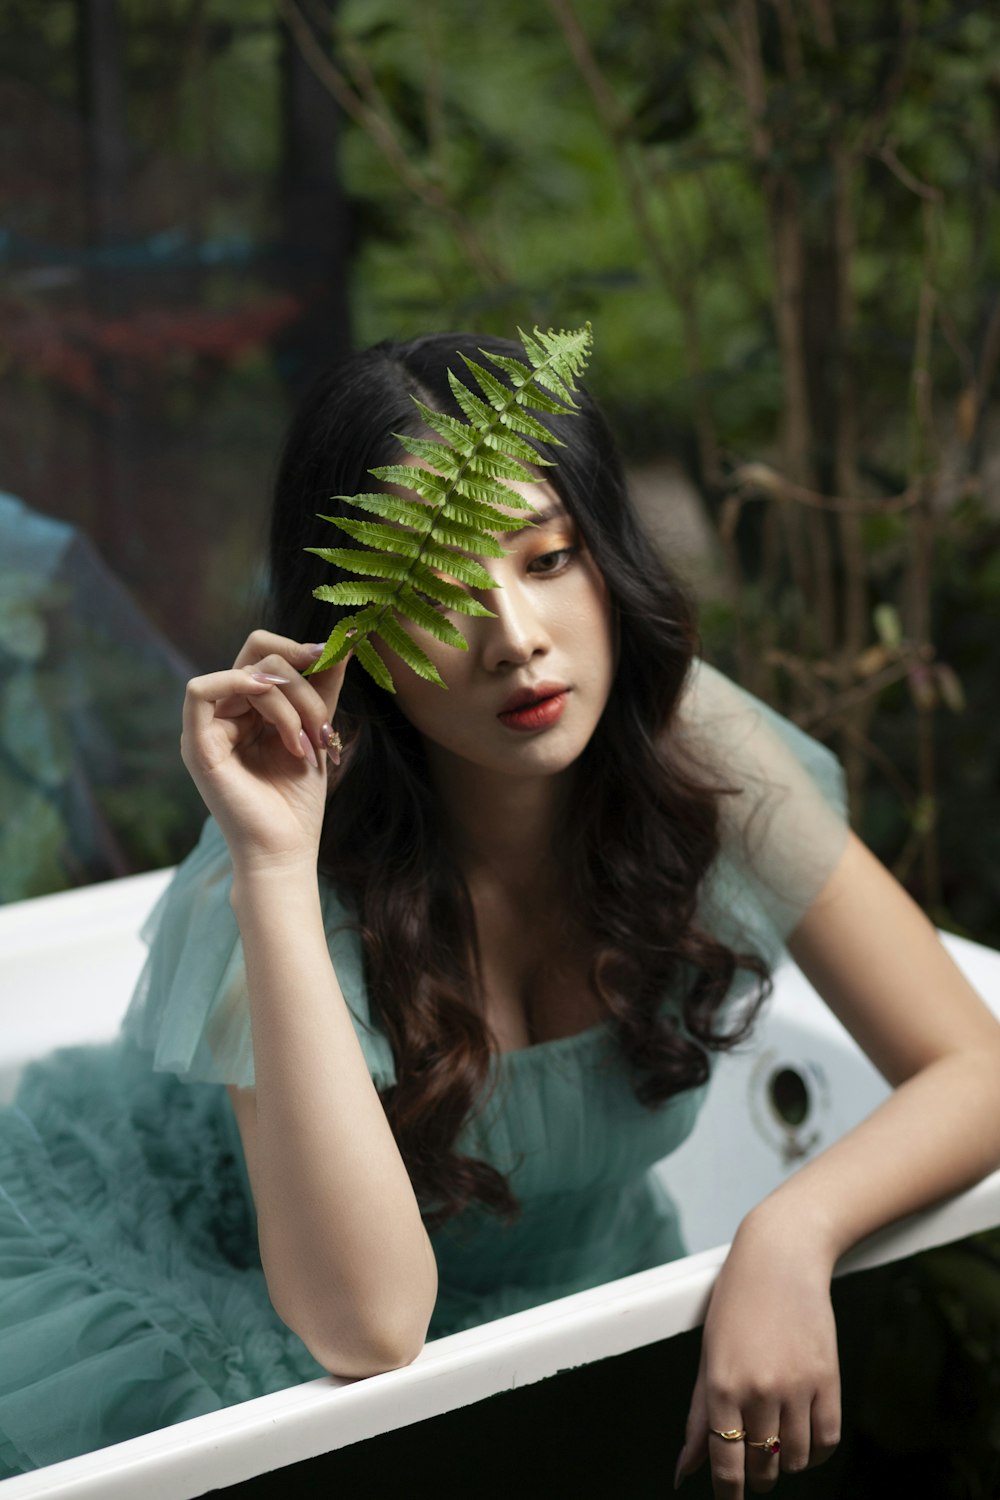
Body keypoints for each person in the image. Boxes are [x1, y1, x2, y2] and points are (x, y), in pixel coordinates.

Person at [1, 333, 999, 1498]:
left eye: (548, 559)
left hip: (588, 1313)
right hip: (244, 1311)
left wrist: (790, 1232)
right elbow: (368, 1329)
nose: (514, 636)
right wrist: (273, 867)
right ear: (351, 633)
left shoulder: (693, 746)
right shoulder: (284, 867)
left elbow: (974, 1068)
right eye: (434, 592)